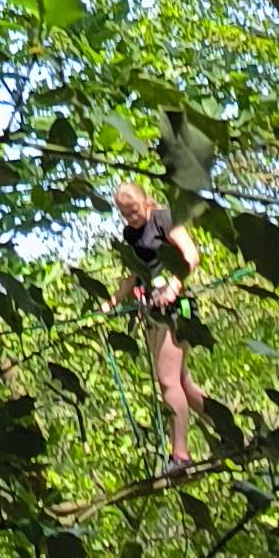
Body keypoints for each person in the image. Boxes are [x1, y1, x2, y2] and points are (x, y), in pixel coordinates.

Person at [110, 181, 203, 473]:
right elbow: (135, 273)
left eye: (134, 211)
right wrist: (112, 301)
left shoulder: (163, 218)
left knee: (167, 381)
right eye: (125, 214)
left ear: (146, 202)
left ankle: (180, 456)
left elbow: (191, 255)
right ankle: (227, 432)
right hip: (151, 310)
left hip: (175, 309)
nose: (131, 218)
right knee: (181, 382)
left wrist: (174, 286)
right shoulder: (130, 233)